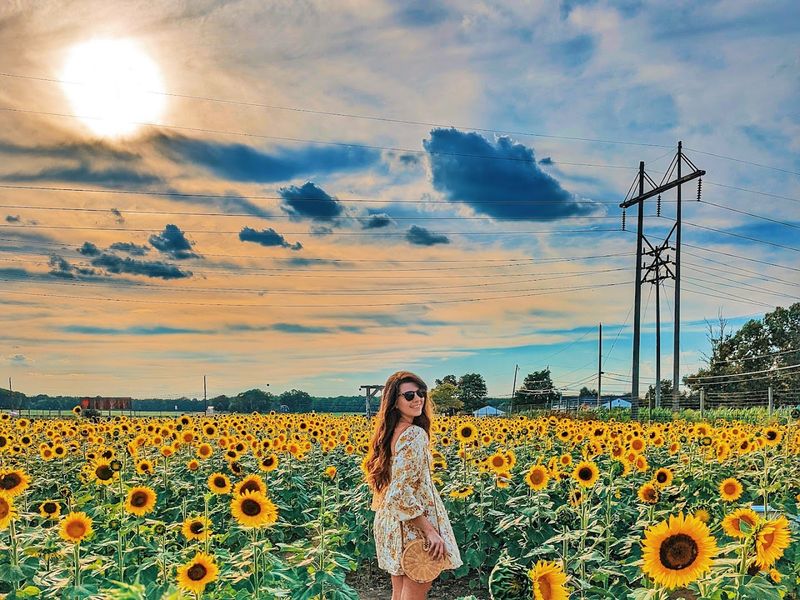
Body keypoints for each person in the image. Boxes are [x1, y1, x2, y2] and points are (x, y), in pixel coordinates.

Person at [366, 371, 463, 600]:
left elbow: (390, 489)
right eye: (409, 395)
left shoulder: (390, 433)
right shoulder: (414, 435)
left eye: (421, 393)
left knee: (399, 595)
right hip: (413, 528)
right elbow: (399, 494)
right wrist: (430, 531)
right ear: (394, 402)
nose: (418, 399)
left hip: (392, 524)